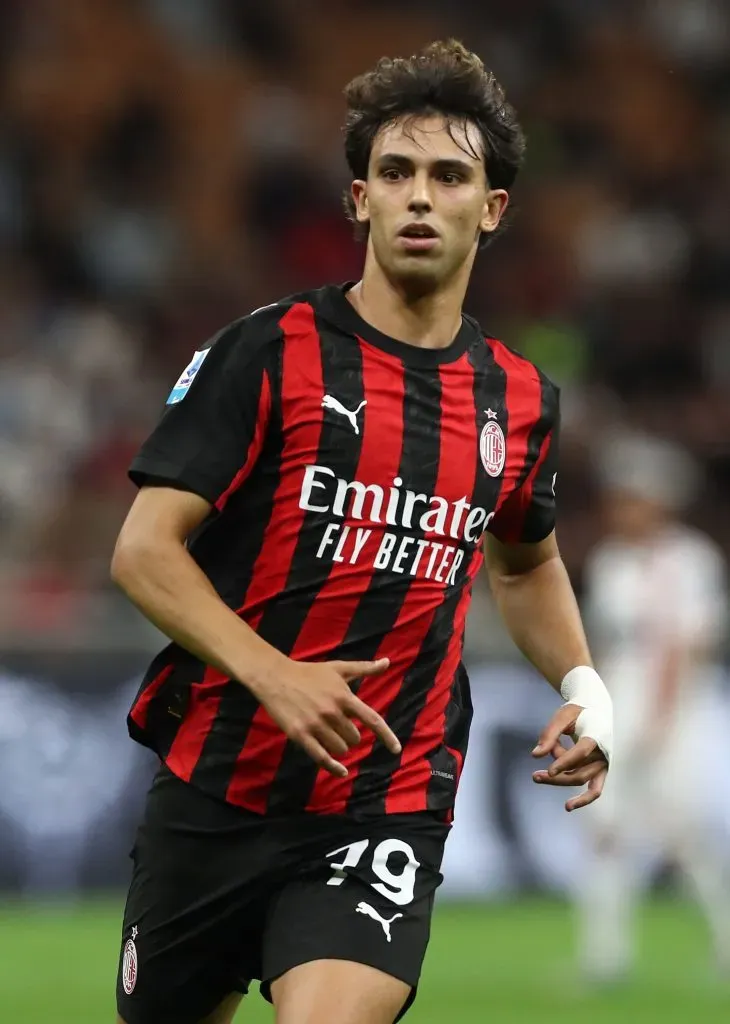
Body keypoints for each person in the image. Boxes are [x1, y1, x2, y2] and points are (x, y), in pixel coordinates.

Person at [111, 40, 612, 1024]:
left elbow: (526, 564)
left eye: (448, 176)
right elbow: (143, 551)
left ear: (491, 208)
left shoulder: (518, 400)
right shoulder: (267, 352)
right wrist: (275, 674)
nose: (420, 195)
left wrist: (584, 685)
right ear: (359, 200)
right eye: (395, 172)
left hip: (385, 798)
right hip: (216, 788)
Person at [575, 431, 730, 984]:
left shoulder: (691, 559)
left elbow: (686, 646)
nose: (623, 509)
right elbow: (601, 644)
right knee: (604, 828)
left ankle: (724, 944)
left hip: (677, 711)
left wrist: (662, 721)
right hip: (618, 702)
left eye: (634, 498)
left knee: (683, 833)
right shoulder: (611, 560)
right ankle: (604, 956)